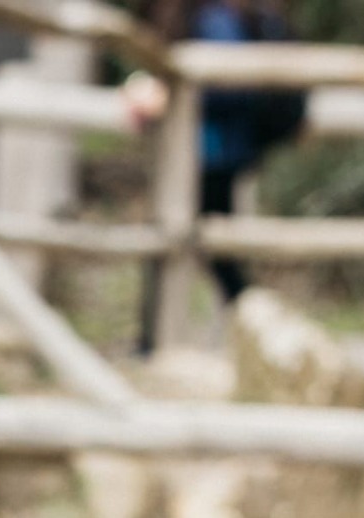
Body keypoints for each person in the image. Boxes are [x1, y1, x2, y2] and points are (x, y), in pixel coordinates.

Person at [125, 0, 307, 323]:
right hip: (213, 151)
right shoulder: (213, 14)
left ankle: (261, 322)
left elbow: (229, 84)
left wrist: (168, 94)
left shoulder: (213, 17)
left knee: (207, 247)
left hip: (215, 153)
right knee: (199, 244)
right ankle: (254, 321)